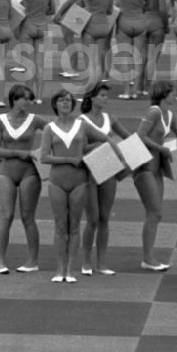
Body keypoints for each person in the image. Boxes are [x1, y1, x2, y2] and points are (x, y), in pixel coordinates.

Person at [40, 89, 117, 283]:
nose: (65, 103)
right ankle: (59, 270)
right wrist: (70, 159)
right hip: (57, 181)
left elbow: (106, 139)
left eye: (68, 100)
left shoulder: (82, 126)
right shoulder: (49, 128)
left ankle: (71, 269)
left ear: (73, 104)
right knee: (60, 226)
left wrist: (95, 153)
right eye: (61, 100)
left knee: (74, 226)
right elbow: (43, 157)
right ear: (55, 104)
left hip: (80, 181)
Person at [0, 84, 47, 274]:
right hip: (6, 171)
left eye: (30, 98)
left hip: (29, 172)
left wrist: (42, 153)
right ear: (14, 99)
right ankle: (0, 261)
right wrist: (18, 152)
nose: (28, 102)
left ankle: (32, 260)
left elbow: (55, 134)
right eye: (25, 98)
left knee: (28, 217)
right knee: (5, 216)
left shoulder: (35, 120)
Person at [134, 81, 177, 272]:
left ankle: (149, 257)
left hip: (157, 167)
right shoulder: (154, 112)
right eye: (172, 92)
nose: (175, 95)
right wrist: (161, 148)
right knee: (155, 212)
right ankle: (148, 258)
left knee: (154, 214)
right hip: (145, 166)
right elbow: (140, 136)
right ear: (164, 94)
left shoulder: (169, 115)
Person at [78, 83, 131, 275]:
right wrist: (103, 143)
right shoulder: (81, 121)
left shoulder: (110, 118)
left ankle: (101, 263)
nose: (106, 98)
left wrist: (141, 152)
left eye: (106, 95)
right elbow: (80, 149)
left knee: (104, 218)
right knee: (92, 219)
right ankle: (85, 262)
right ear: (92, 98)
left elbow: (128, 137)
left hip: (108, 168)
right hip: (89, 170)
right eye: (102, 95)